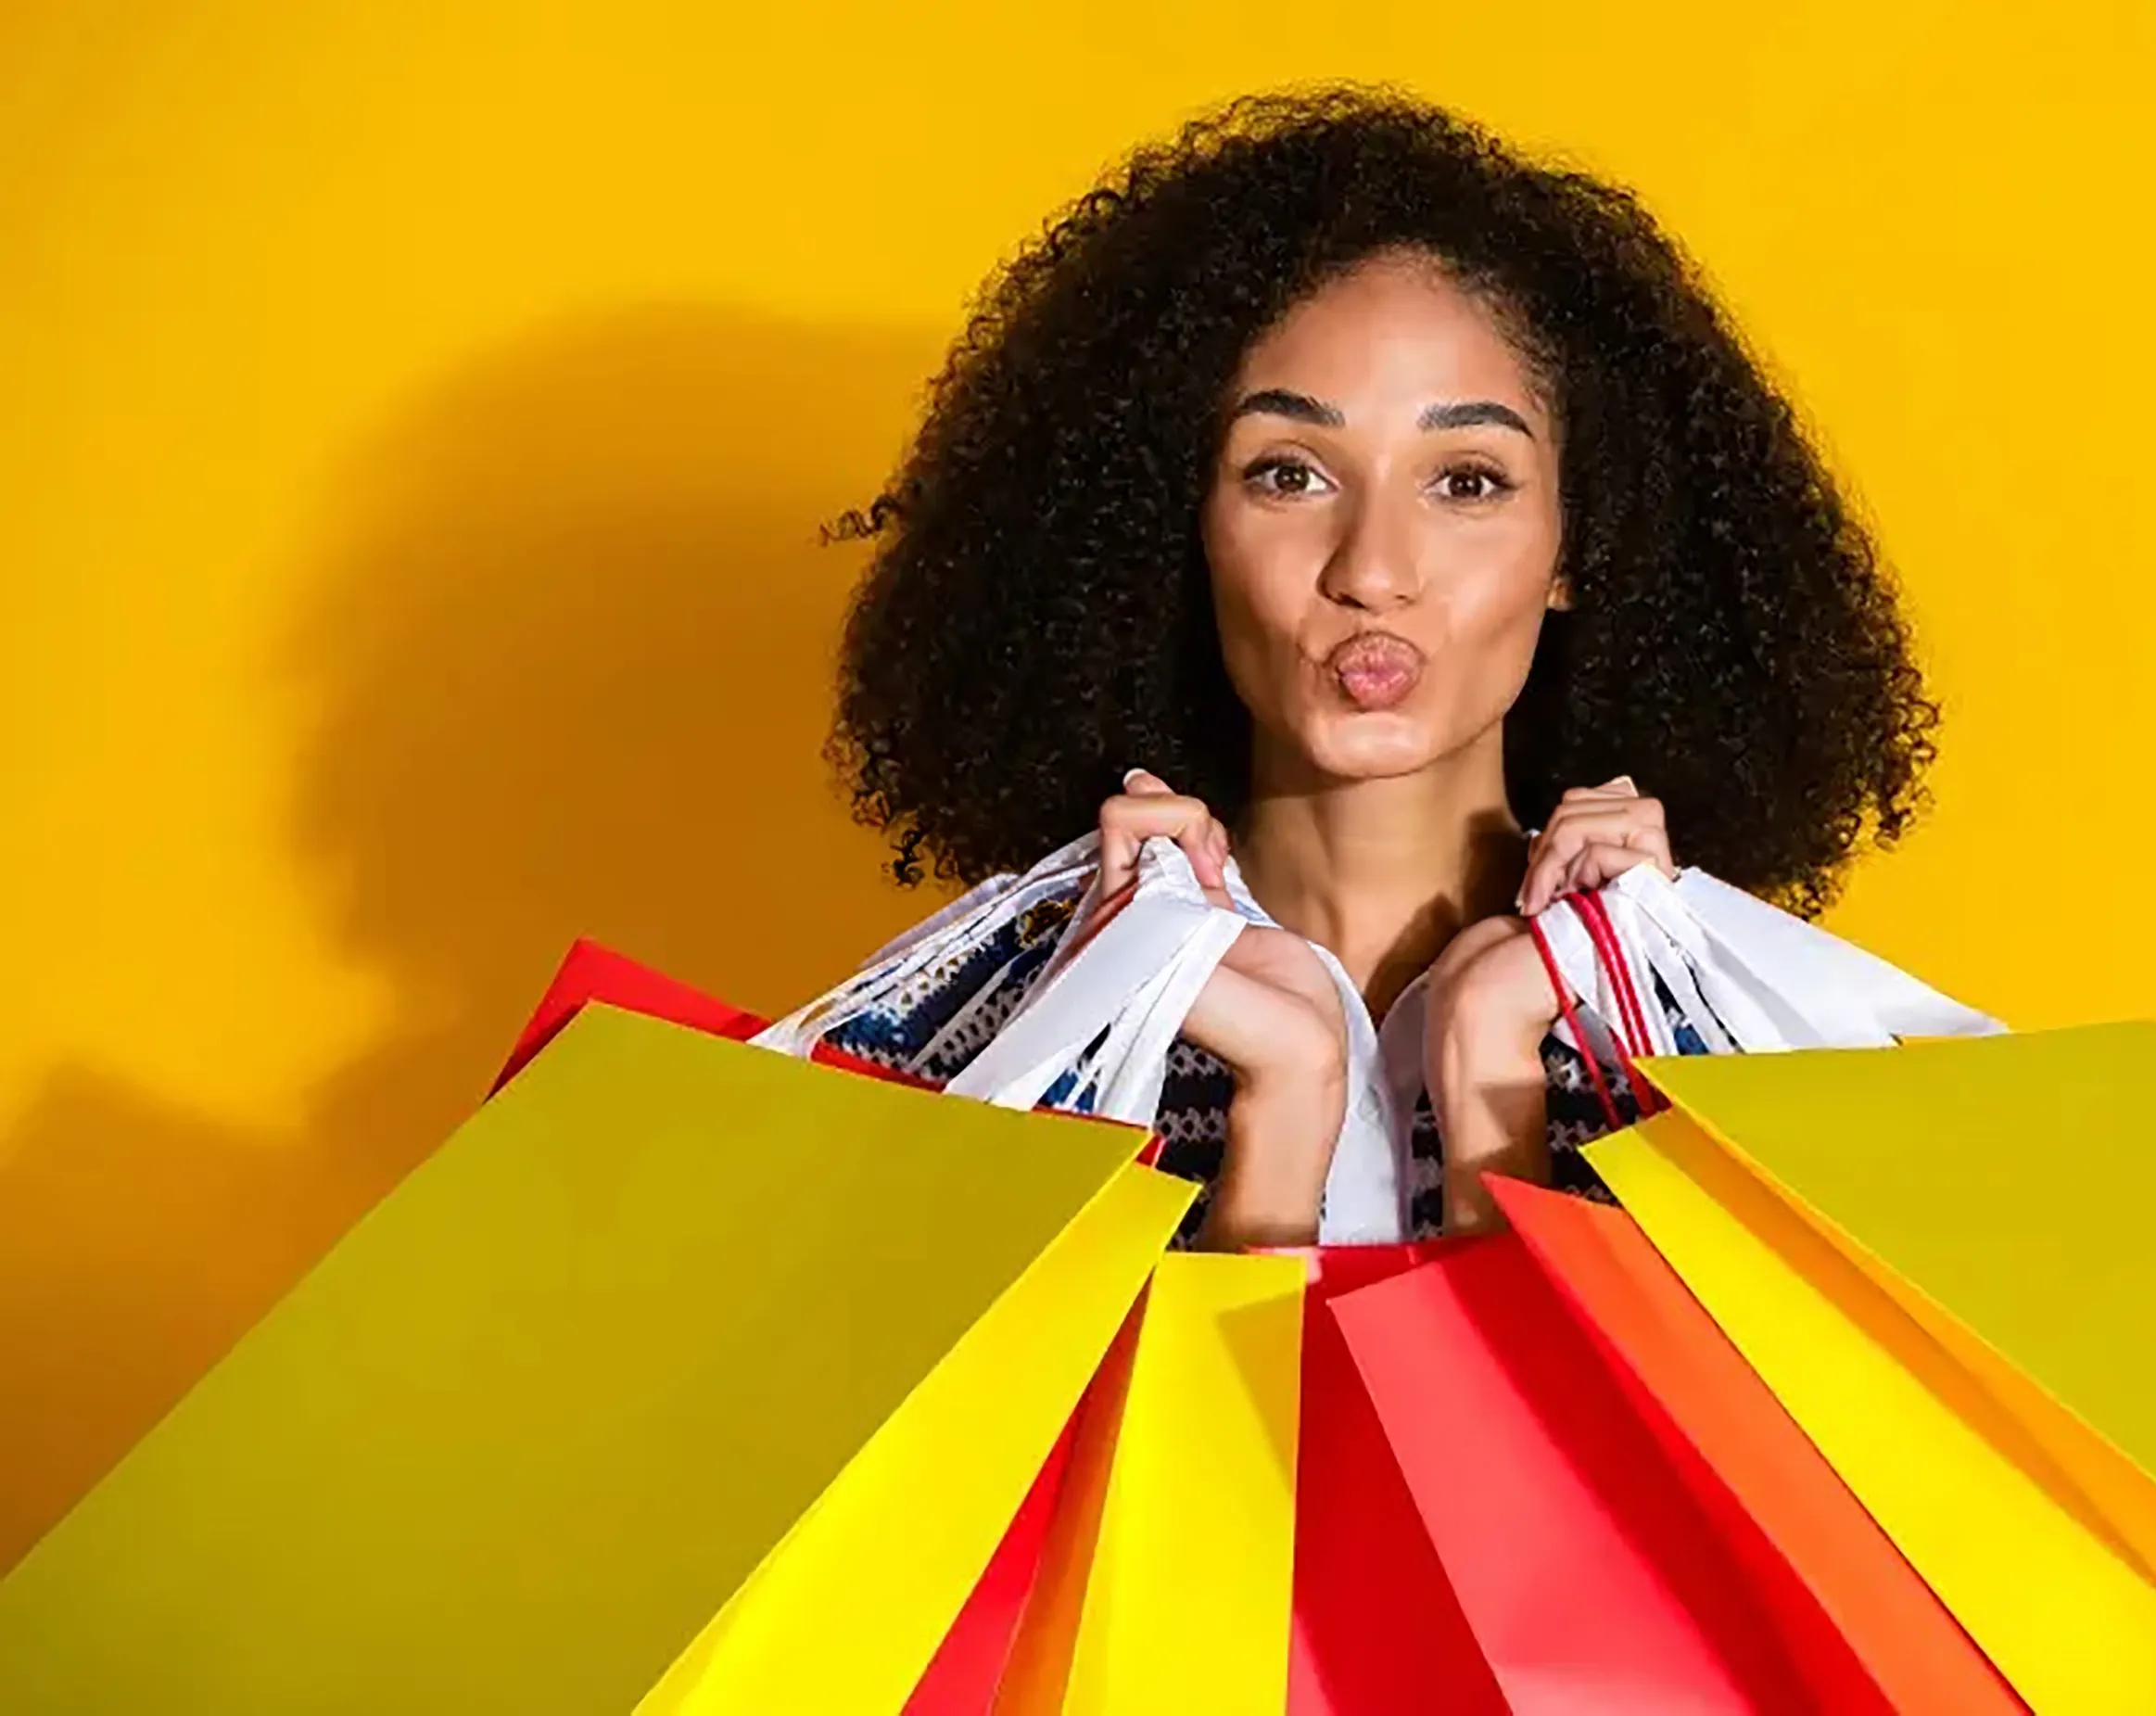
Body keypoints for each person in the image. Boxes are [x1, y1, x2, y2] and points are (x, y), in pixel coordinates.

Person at [786, 87, 1986, 1250]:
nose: (1371, 569)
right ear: (1180, 528)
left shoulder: (1726, 1049)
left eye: (1466, 481)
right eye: (1288, 473)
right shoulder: (1006, 1033)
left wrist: (1493, 1106)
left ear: (1579, 546)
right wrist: (1279, 1116)